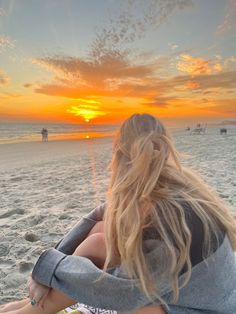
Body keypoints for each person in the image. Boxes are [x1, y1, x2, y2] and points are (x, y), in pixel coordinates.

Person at [1, 113, 236, 314]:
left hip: (207, 307)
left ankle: (34, 309)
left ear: (118, 155)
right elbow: (96, 218)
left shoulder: (175, 216)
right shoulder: (162, 184)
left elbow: (126, 292)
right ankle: (33, 305)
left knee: (143, 309)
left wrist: (53, 270)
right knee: (100, 233)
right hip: (186, 290)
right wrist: (48, 269)